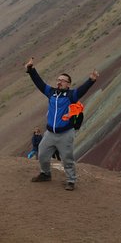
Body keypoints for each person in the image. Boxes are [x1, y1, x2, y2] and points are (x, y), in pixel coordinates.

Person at [25, 57, 98, 191]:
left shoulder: (71, 95)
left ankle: (71, 181)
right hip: (50, 133)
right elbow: (39, 83)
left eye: (62, 80)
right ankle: (45, 174)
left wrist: (91, 80)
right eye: (58, 80)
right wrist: (31, 70)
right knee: (42, 154)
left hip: (65, 133)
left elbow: (82, 90)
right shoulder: (51, 93)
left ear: (68, 84)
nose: (59, 82)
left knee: (67, 158)